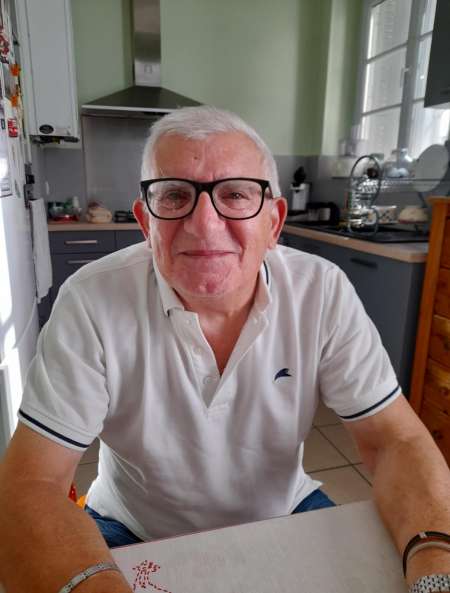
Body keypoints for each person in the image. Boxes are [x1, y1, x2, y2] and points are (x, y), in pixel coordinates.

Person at [0, 106, 449, 593]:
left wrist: (434, 564)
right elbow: (30, 484)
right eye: (175, 195)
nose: (204, 225)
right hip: (130, 524)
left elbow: (394, 440)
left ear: (274, 222)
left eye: (235, 194)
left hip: (283, 509)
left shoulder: (322, 291)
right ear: (145, 222)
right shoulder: (91, 299)